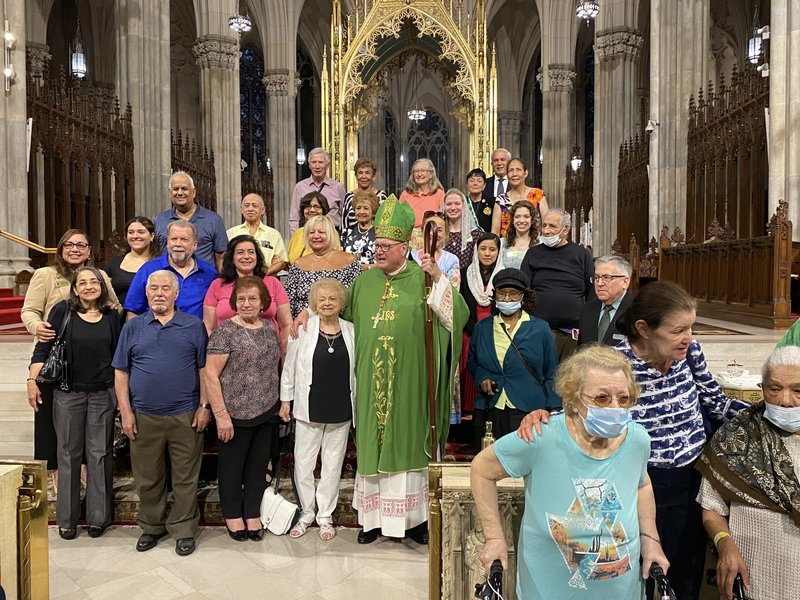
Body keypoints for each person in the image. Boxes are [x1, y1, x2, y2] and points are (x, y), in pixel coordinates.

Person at [518, 281, 748, 600]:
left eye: (691, 328)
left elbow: (715, 402)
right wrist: (545, 416)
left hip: (689, 481)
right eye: (678, 330)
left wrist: (765, 415)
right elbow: (583, 407)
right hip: (637, 484)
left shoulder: (690, 352)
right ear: (643, 329)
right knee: (634, 573)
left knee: (685, 576)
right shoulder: (617, 364)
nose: (689, 337)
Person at [471, 345, 670, 600]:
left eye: (624, 399)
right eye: (602, 398)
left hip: (622, 592)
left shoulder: (638, 440)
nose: (615, 408)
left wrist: (651, 540)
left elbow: (641, 484)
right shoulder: (540, 437)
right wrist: (494, 538)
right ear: (575, 400)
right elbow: (482, 469)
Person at [342, 194, 468, 544]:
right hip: (370, 383)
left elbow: (456, 317)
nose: (379, 251)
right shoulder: (364, 282)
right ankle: (372, 522)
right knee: (372, 445)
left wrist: (438, 279)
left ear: (403, 248)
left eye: (386, 246)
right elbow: (341, 317)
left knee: (410, 444)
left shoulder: (421, 277)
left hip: (410, 383)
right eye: (376, 245)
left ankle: (414, 522)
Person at [113, 270, 210, 557]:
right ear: (146, 293)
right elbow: (121, 373)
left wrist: (204, 406)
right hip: (143, 415)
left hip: (185, 414)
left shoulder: (193, 326)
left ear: (176, 294)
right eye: (153, 288)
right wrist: (126, 412)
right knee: (148, 477)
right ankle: (152, 526)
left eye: (165, 288)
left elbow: (204, 369)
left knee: (185, 478)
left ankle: (183, 529)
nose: (159, 293)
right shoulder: (132, 327)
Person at [697, 346, 800, 600]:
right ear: (762, 388)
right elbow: (711, 507)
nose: (786, 400)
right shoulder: (737, 437)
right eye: (774, 389)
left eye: (798, 390)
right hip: (751, 581)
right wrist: (724, 543)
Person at [28, 267, 121, 540]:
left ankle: (98, 517)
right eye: (83, 282)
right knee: (68, 453)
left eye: (94, 281)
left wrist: (120, 394)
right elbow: (43, 347)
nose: (89, 286)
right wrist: (32, 380)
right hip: (68, 394)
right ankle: (67, 520)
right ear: (75, 288)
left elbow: (118, 354)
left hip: (103, 393)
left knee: (99, 454)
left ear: (102, 287)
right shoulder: (62, 311)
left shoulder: (111, 316)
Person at [22, 229, 118, 477]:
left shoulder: (100, 276)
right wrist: (37, 326)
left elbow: (115, 308)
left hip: (88, 362)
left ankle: (84, 473)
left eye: (81, 245)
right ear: (61, 249)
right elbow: (29, 310)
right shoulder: (46, 274)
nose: (75, 249)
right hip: (52, 358)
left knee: (86, 425)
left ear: (89, 250)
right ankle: (58, 476)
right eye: (69, 245)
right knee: (50, 424)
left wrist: (106, 311)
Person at [204, 276, 283, 542]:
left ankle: (252, 513)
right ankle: (233, 515)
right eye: (241, 299)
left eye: (252, 299)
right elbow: (210, 375)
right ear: (234, 302)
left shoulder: (269, 328)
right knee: (232, 468)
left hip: (266, 410)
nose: (246, 303)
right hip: (234, 413)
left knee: (257, 468)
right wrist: (220, 415)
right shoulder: (224, 331)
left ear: (263, 302)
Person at [280, 278, 355, 541]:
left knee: (333, 465)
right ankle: (306, 512)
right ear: (314, 303)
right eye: (322, 299)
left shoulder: (351, 330)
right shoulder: (303, 328)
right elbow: (289, 366)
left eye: (332, 298)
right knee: (304, 463)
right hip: (309, 406)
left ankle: (325, 516)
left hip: (341, 405)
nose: (327, 303)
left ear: (341, 303)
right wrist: (286, 400)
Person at [467, 268, 559, 439]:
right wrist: (483, 378)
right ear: (495, 296)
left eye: (514, 294)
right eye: (502, 293)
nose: (507, 298)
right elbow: (473, 362)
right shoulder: (482, 328)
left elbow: (551, 371)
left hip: (528, 408)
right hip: (491, 407)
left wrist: (554, 407)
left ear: (523, 296)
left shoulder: (540, 328)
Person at [521, 208, 594, 361]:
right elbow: (524, 290)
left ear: (566, 229)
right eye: (544, 225)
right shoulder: (533, 254)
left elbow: (592, 292)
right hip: (540, 330)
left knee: (569, 374)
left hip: (573, 332)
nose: (546, 231)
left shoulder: (581, 254)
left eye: (552, 226)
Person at [203, 235, 291, 353]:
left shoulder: (273, 283)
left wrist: (285, 355)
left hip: (269, 354)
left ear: (257, 257)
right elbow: (208, 327)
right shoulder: (217, 285)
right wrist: (215, 355)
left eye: (251, 252)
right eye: (240, 252)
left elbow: (286, 325)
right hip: (226, 354)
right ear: (232, 258)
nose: (246, 256)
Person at [124, 220, 217, 320]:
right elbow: (132, 311)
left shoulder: (209, 273)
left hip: (194, 329)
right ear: (167, 243)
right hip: (155, 329)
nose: (178, 244)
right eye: (173, 239)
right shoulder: (148, 269)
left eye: (184, 240)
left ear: (194, 245)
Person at [459, 233, 504, 437]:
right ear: (476, 251)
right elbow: (461, 303)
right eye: (483, 249)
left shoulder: (504, 276)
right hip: (469, 331)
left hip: (495, 333)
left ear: (498, 252)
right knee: (469, 370)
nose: (487, 253)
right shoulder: (465, 274)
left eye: (492, 249)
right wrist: (471, 328)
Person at [285, 215, 360, 319]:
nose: (316, 236)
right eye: (311, 232)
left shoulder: (349, 261)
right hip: (305, 325)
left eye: (321, 232)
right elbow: (288, 303)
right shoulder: (298, 265)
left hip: (341, 324)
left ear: (330, 235)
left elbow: (357, 300)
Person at [154, 171, 227, 271]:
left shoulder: (213, 220)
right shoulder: (160, 219)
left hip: (203, 278)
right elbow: (154, 252)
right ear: (170, 193)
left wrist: (222, 279)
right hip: (167, 278)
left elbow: (221, 257)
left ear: (193, 192)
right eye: (176, 189)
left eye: (184, 189)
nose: (180, 193)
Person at [225, 193, 288, 276]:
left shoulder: (273, 234)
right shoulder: (231, 233)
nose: (250, 209)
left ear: (262, 210)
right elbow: (225, 259)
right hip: (237, 280)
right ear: (241, 209)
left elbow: (282, 261)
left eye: (254, 206)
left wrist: (263, 275)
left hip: (266, 279)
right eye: (247, 205)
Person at [103, 216, 160, 307]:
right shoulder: (114, 262)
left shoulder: (161, 264)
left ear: (152, 236)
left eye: (141, 232)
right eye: (131, 232)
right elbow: (103, 291)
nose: (135, 236)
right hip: (119, 314)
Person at [578, 256, 633, 346]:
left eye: (606, 277)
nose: (599, 283)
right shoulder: (587, 309)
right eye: (596, 278)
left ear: (625, 282)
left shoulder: (636, 311)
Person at [289, 148, 346, 233]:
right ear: (309, 165)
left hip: (332, 234)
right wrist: (297, 237)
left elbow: (345, 216)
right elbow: (294, 218)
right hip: (307, 234)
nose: (317, 166)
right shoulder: (300, 187)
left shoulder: (338, 187)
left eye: (321, 162)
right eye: (314, 162)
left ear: (327, 165)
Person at [492, 158, 548, 237]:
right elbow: (495, 233)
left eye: (518, 170)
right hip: (507, 243)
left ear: (525, 173)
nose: (514, 174)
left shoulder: (538, 195)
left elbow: (547, 225)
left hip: (535, 242)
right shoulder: (500, 200)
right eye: (511, 170)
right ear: (507, 175)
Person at [287, 192, 340, 264]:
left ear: (323, 209)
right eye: (308, 206)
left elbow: (336, 259)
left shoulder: (331, 232)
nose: (312, 210)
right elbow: (289, 259)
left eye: (316, 206)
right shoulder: (298, 233)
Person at [411, 211, 461, 288]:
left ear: (446, 233)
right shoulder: (411, 257)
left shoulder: (451, 260)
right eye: (429, 229)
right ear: (422, 231)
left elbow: (454, 291)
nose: (433, 233)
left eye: (439, 230)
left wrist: (437, 275)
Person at [399, 158, 445, 238]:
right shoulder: (405, 194)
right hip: (409, 237)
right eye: (416, 171)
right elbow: (399, 219)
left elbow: (443, 219)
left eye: (423, 171)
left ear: (431, 174)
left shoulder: (439, 194)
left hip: (432, 235)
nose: (419, 174)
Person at [339, 158, 387, 232]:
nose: (363, 176)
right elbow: (344, 225)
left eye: (367, 173)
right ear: (356, 176)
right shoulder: (349, 197)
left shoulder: (381, 197)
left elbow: (385, 224)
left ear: (373, 176)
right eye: (360, 173)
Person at [442, 188, 482, 269]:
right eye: (449, 204)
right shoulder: (439, 233)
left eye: (457, 204)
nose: (453, 208)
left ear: (463, 205)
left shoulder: (475, 234)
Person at [340, 189, 379, 268]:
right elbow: (340, 258)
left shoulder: (379, 232)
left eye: (366, 208)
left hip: (373, 273)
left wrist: (368, 267)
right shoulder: (346, 232)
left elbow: (386, 262)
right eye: (358, 208)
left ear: (373, 211)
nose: (361, 212)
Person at [500, 199, 537, 270]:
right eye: (517, 217)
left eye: (526, 216)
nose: (522, 221)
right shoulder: (502, 243)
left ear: (532, 220)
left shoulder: (541, 243)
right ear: (512, 220)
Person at [466, 168, 493, 232]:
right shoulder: (463, 202)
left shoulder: (492, 203)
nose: (475, 183)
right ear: (466, 184)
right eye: (471, 181)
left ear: (484, 185)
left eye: (479, 181)